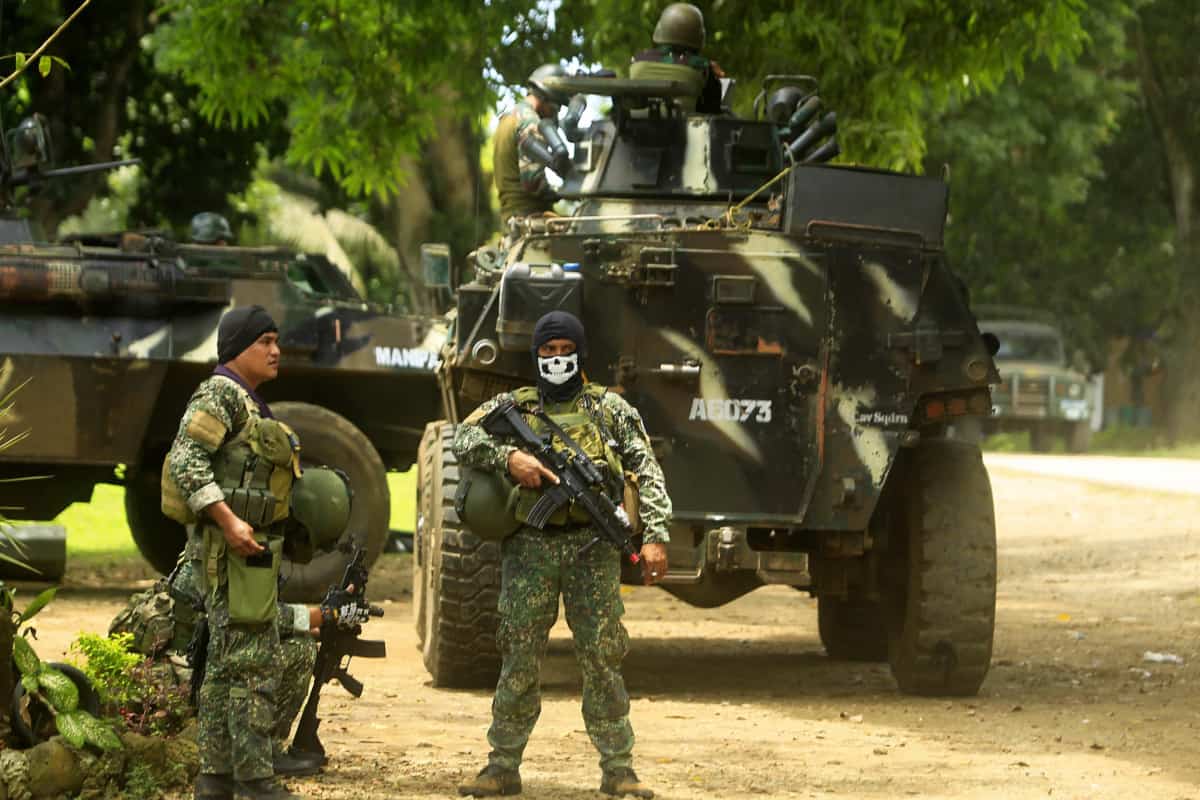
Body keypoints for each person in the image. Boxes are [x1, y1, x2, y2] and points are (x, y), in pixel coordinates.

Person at [454, 311, 672, 799]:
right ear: (535, 356)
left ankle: (618, 767)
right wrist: (508, 458)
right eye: (547, 351)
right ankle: (502, 764)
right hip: (530, 546)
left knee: (602, 656)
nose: (556, 359)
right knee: (519, 655)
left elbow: (646, 466)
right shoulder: (515, 406)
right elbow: (464, 437)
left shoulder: (608, 409)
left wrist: (655, 534)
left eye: (564, 350)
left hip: (590, 549)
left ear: (579, 353)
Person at [163, 304, 301, 800]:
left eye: (276, 340)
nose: (275, 350)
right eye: (264, 341)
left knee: (223, 668)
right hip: (232, 552)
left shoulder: (246, 401)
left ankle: (216, 778)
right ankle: (255, 780)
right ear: (237, 347)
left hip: (239, 551)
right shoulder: (220, 393)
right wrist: (230, 521)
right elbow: (186, 459)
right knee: (254, 663)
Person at [107, 559, 325, 778]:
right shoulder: (217, 558)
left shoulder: (207, 548)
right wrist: (323, 615)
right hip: (189, 679)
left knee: (296, 638)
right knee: (300, 648)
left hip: (192, 669)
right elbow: (252, 614)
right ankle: (264, 753)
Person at [493, 64, 579, 227]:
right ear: (547, 98)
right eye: (557, 106)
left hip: (511, 216)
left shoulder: (508, 118)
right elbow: (533, 183)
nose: (556, 113)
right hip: (531, 218)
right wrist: (569, 190)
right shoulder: (530, 122)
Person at [629, 3, 725, 113]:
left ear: (660, 29)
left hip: (636, 127)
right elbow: (712, 110)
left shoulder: (638, 60)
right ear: (699, 35)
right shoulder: (702, 67)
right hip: (681, 128)